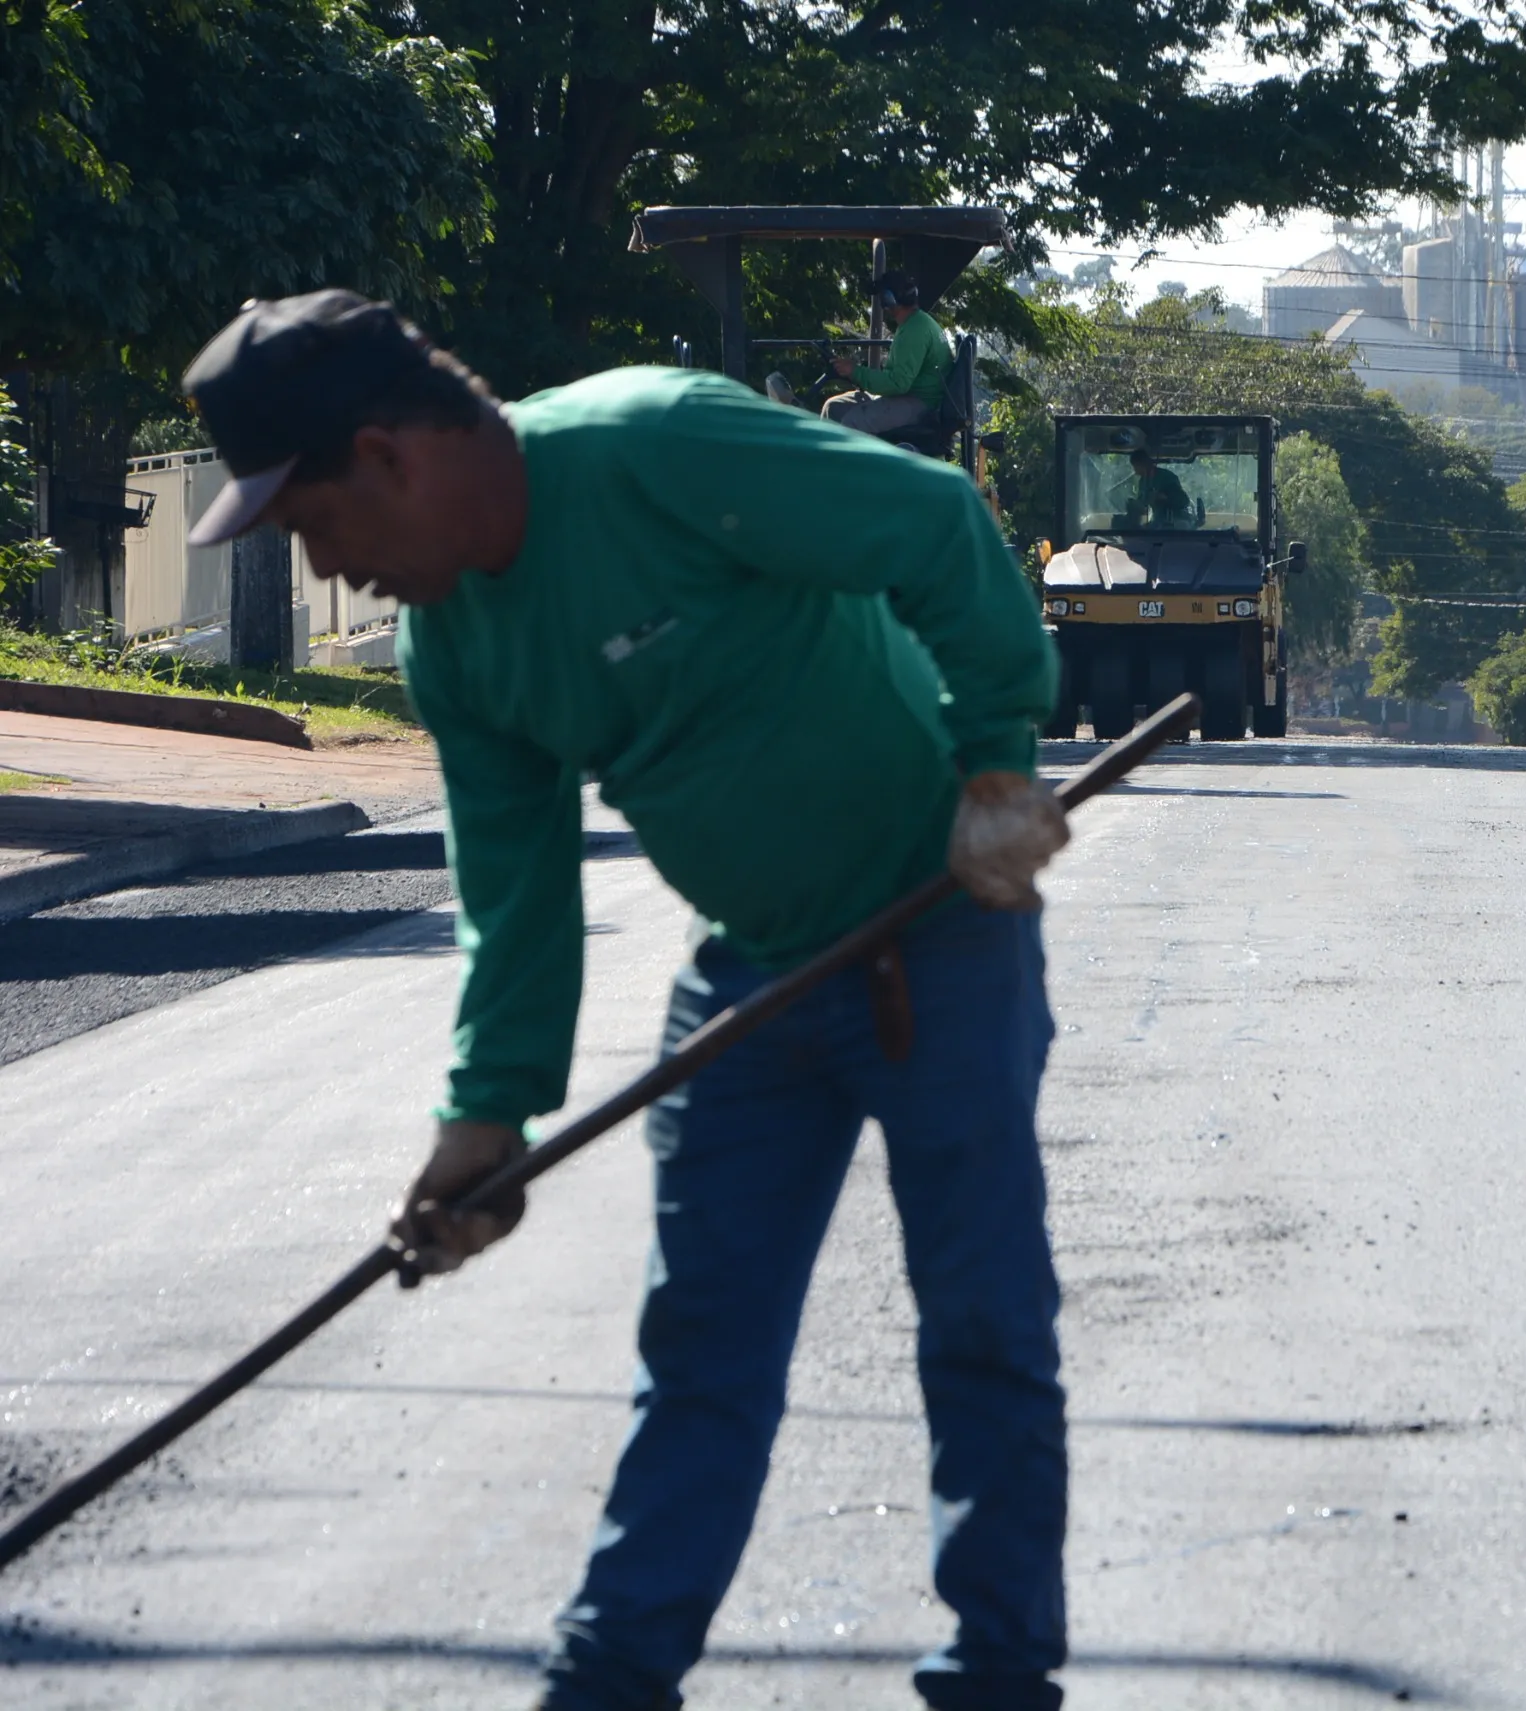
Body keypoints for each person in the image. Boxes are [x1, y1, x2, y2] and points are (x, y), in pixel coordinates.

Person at [178, 290, 1074, 1711]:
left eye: (313, 523)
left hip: (942, 923)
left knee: (983, 1326)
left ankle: (998, 1675)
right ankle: (611, 1678)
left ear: (388, 454)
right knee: (701, 1349)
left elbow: (935, 527)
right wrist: (485, 1113)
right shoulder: (454, 648)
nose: (327, 568)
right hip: (755, 972)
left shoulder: (659, 446)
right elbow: (516, 893)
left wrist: (999, 764)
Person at [824, 270, 955, 440]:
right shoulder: (917, 323)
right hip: (910, 396)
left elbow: (898, 383)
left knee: (853, 422)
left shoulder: (914, 330)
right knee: (833, 407)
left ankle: (854, 467)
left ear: (889, 300)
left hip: (921, 403)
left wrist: (855, 372)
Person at [1121, 447, 1190, 528]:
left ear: (1143, 464)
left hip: (1176, 522)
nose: (1135, 471)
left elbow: (1184, 501)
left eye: (1136, 467)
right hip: (1157, 522)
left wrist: (1164, 497)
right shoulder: (1143, 482)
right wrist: (1134, 505)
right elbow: (1143, 505)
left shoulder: (1168, 477)